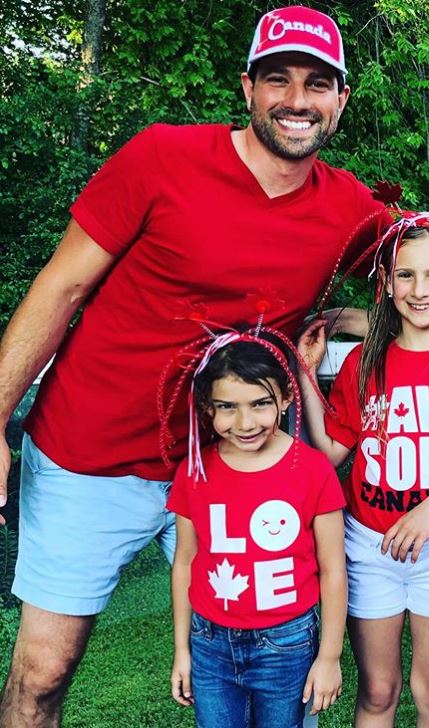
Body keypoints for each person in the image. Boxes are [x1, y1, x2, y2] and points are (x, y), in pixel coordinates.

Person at [0, 6, 381, 726]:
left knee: (273, 668)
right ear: (248, 88)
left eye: (317, 83)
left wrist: (340, 323)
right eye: (278, 79)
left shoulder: (350, 211)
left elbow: (428, 291)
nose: (297, 100)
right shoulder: (161, 158)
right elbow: (62, 286)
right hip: (93, 453)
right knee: (43, 674)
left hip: (234, 463)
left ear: (340, 100)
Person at [298, 212, 429, 728]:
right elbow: (332, 449)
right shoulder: (364, 362)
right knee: (378, 691)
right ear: (387, 284)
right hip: (370, 551)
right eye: (406, 275)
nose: (420, 289)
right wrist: (304, 371)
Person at [167, 326, 346, 727]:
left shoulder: (313, 469)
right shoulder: (194, 471)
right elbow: (184, 563)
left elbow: (333, 569)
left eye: (260, 403)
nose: (245, 422)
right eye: (227, 406)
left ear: (285, 398)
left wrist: (330, 656)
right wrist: (183, 649)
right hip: (210, 643)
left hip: (287, 643)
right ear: (207, 407)